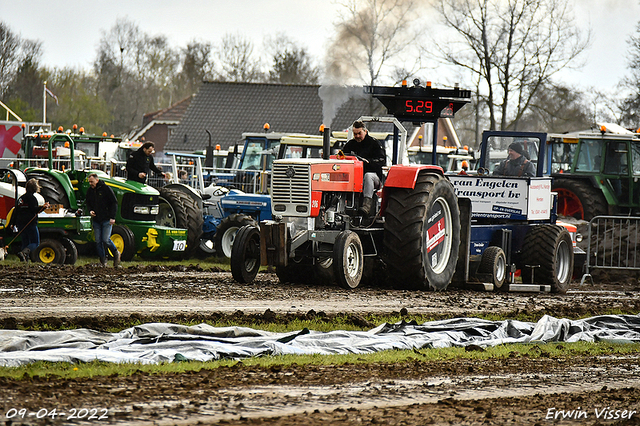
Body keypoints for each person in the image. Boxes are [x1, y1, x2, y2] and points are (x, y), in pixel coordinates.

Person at [342, 120, 386, 215]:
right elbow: (342, 155)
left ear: (365, 131)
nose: (357, 136)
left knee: (368, 176)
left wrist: (368, 162)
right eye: (355, 134)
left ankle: (366, 205)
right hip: (355, 176)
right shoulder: (350, 144)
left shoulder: (374, 144)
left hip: (373, 176)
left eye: (359, 133)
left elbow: (382, 161)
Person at [86, 173, 120, 267]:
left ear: (97, 180)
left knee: (106, 239)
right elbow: (88, 202)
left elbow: (114, 203)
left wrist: (112, 217)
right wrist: (90, 211)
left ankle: (116, 253)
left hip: (106, 218)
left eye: (92, 182)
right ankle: (103, 260)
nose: (90, 184)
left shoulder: (106, 189)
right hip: (96, 219)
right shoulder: (90, 191)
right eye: (89, 182)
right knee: (98, 241)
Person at [15, 179, 49, 262]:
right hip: (30, 223)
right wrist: (44, 207)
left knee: (25, 242)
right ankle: (24, 253)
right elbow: (34, 210)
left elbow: (15, 211)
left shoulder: (21, 199)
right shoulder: (32, 198)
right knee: (35, 242)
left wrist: (13, 223)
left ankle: (24, 260)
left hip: (20, 223)